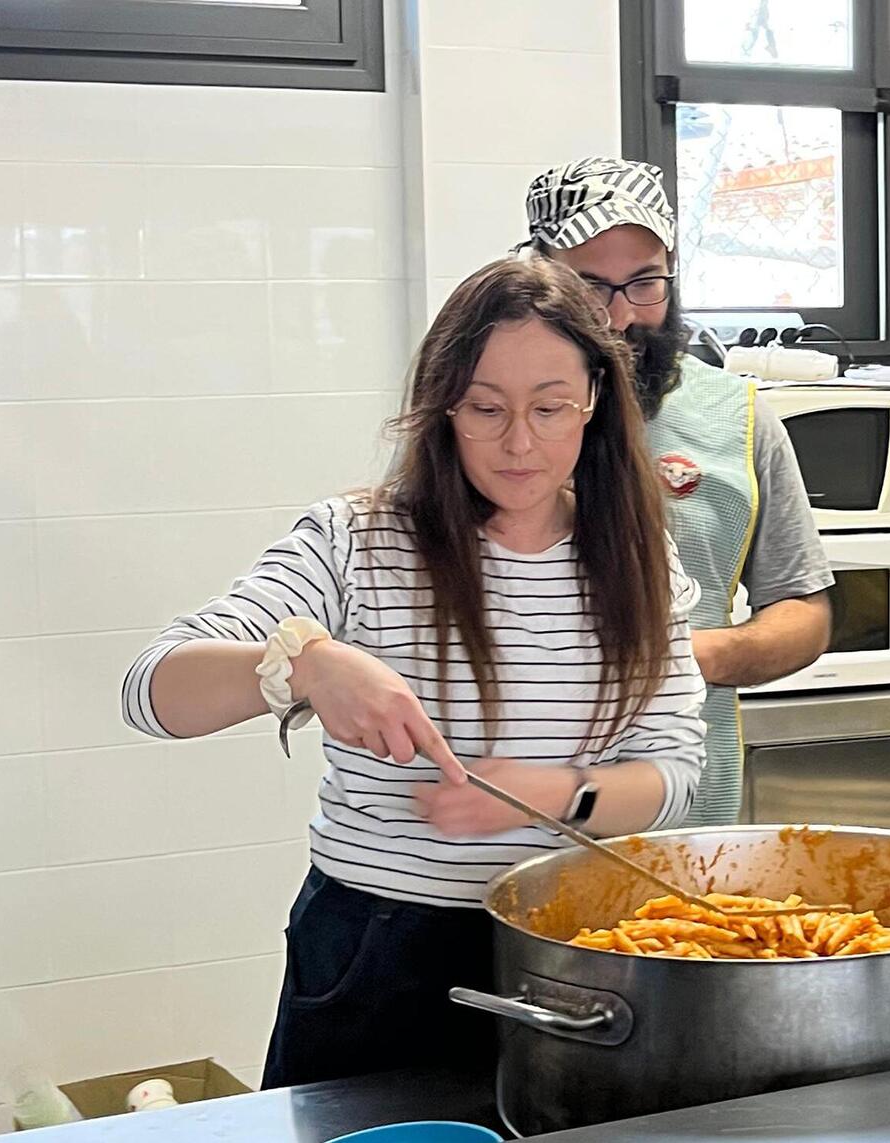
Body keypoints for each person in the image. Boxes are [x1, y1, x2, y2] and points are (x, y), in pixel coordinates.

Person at [119, 258, 706, 1088]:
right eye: (486, 408)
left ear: (594, 402)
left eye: (549, 408)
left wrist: (554, 793)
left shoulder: (639, 561)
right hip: (376, 949)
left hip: (572, 948)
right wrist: (304, 665)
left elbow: (675, 772)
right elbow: (152, 690)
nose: (519, 442)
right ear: (444, 407)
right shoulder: (357, 540)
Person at [520, 157, 833, 826]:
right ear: (537, 276)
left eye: (645, 282)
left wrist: (689, 658)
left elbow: (803, 612)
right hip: (505, 820)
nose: (621, 316)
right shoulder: (484, 417)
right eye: (588, 286)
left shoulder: (739, 418)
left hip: (687, 817)